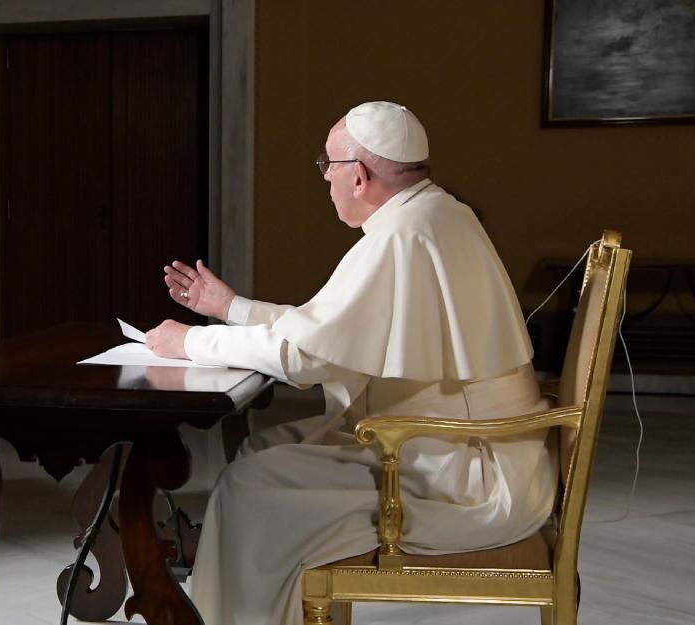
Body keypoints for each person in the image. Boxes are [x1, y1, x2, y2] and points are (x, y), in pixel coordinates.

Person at [144, 101, 553, 625]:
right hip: (457, 448)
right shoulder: (438, 214)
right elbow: (328, 331)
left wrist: (191, 342)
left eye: (328, 165)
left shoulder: (400, 236)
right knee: (261, 449)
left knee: (246, 487)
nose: (325, 179)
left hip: (460, 476)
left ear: (358, 176)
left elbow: (305, 354)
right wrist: (230, 308)